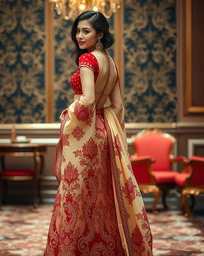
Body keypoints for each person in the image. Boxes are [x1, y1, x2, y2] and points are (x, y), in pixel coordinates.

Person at [44, 10, 153, 256]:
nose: (79, 36)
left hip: (86, 134)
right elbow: (118, 107)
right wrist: (110, 130)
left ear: (100, 34)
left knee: (77, 195)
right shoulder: (111, 63)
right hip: (105, 133)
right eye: (78, 30)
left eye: (86, 31)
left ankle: (77, 249)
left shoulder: (87, 60)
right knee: (103, 194)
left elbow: (88, 100)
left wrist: (67, 116)